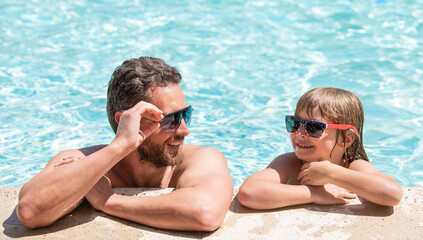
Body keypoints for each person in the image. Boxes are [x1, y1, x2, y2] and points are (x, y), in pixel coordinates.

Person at [17, 57, 233, 231]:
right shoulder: (83, 162)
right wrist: (119, 146)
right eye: (170, 120)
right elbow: (30, 211)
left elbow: (205, 213)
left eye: (186, 114)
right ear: (127, 122)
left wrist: (108, 201)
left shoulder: (201, 159)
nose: (185, 130)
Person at [238, 87, 402, 210]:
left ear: (346, 139)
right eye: (294, 123)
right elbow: (249, 193)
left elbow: (392, 194)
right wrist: (315, 194)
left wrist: (332, 173)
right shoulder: (290, 163)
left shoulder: (352, 166)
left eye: (314, 127)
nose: (300, 133)